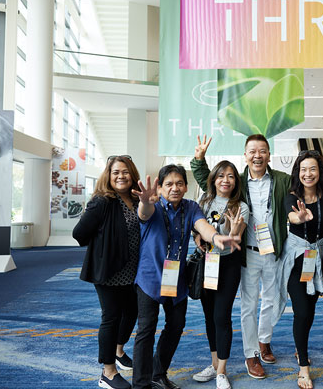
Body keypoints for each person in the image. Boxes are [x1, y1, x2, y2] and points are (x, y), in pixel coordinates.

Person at [131, 165, 240, 389]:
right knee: (146, 329)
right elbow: (144, 213)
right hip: (150, 277)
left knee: (177, 324)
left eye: (179, 183)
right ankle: (141, 384)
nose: (175, 188)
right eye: (169, 184)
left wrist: (216, 237)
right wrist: (145, 202)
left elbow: (203, 226)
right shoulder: (154, 205)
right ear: (160, 188)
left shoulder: (190, 207)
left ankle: (158, 373)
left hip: (176, 278)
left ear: (186, 186)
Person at [190, 134, 291, 379]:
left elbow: (305, 190)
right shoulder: (238, 180)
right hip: (245, 252)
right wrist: (198, 159)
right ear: (245, 155)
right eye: (252, 151)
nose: (257, 155)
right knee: (248, 304)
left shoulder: (282, 179)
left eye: (262, 151)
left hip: (274, 249)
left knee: (274, 299)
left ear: (269, 154)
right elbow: (210, 180)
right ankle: (251, 354)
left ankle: (264, 339)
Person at [73, 155, 141, 389]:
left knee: (132, 312)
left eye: (125, 172)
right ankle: (108, 372)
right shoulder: (103, 201)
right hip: (109, 271)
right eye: (115, 172)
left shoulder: (135, 199)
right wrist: (105, 243)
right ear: (108, 176)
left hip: (132, 270)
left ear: (132, 175)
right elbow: (79, 233)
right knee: (111, 318)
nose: (121, 176)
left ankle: (118, 351)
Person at [272, 150, 323, 389]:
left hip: (318, 261)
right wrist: (300, 217)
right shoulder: (292, 196)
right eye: (303, 169)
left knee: (310, 310)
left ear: (320, 172)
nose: (308, 174)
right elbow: (292, 218)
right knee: (302, 312)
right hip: (297, 261)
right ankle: (304, 367)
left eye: (312, 169)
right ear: (298, 172)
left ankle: (299, 348)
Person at [191, 161, 250, 389]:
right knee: (208, 316)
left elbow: (234, 240)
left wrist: (233, 229)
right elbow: (197, 229)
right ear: (213, 179)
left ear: (236, 181)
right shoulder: (204, 201)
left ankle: (222, 372)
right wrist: (197, 238)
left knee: (221, 316)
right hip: (207, 265)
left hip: (228, 266)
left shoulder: (241, 207)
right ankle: (214, 363)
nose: (226, 180)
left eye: (231, 176)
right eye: (221, 176)